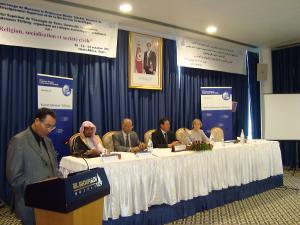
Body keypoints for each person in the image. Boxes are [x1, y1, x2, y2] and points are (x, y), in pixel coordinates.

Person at [6, 108, 60, 225]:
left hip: (50, 201)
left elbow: (54, 167)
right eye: (47, 126)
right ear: (36, 121)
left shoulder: (48, 141)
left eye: (52, 127)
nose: (50, 130)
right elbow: (14, 177)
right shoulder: (18, 141)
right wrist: (38, 188)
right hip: (29, 203)